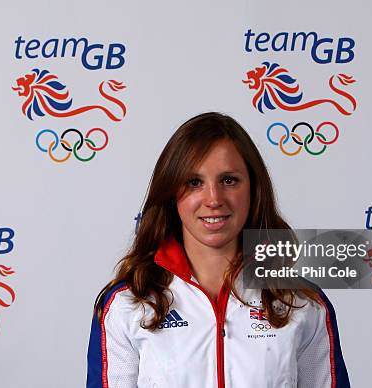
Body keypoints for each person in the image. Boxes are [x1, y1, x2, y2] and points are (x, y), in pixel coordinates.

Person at [86, 112, 350, 388]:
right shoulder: (127, 304)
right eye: (194, 182)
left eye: (229, 180)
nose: (213, 199)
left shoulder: (302, 302)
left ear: (254, 189)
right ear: (172, 193)